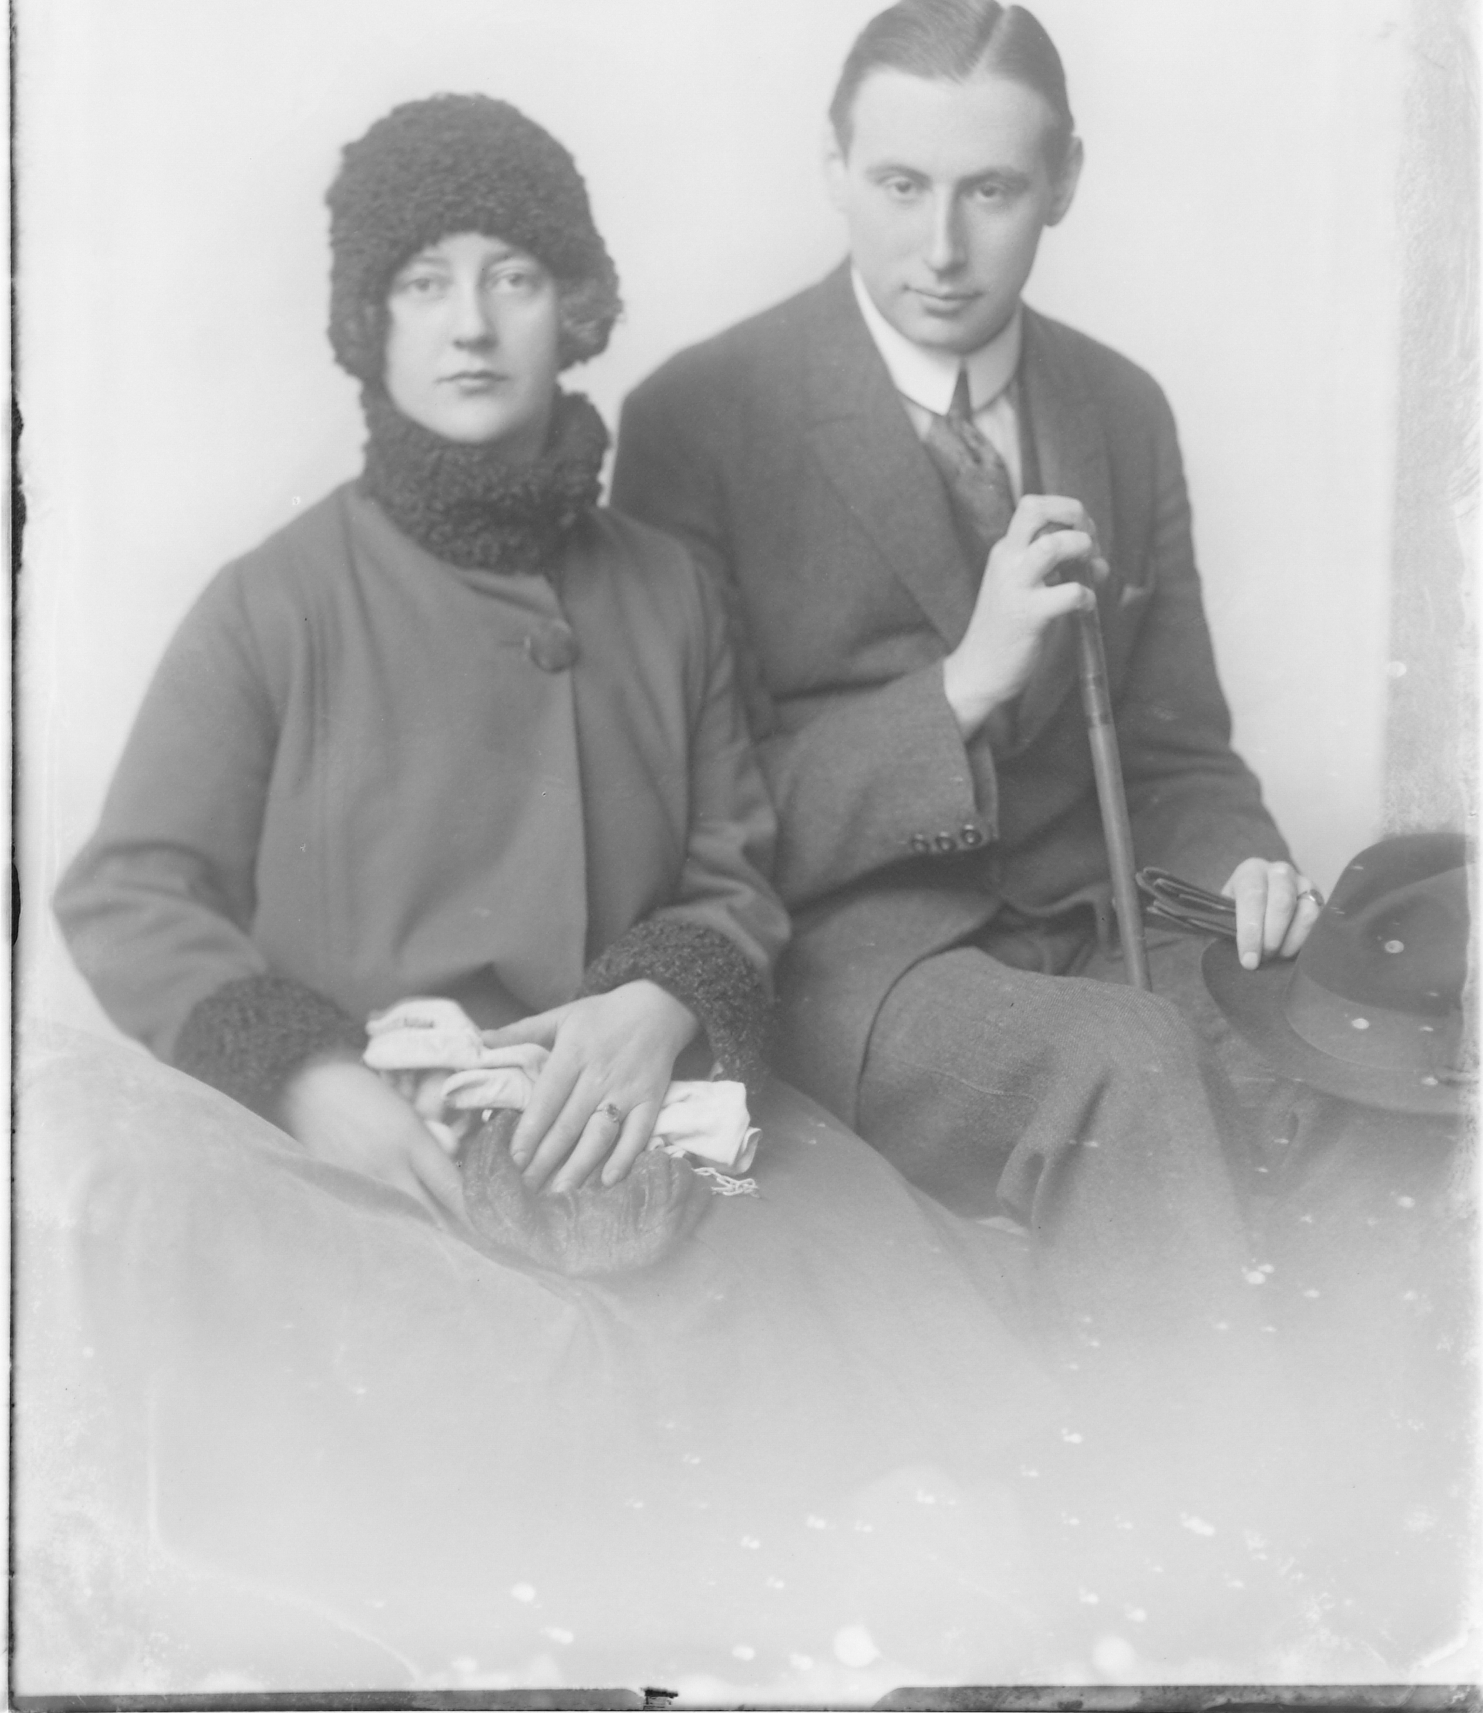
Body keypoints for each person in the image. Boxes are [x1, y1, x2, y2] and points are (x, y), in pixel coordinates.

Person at [26, 92, 1082, 1695]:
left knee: (894, 1321)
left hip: (651, 1113)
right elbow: (131, 891)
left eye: (513, 277)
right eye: (422, 281)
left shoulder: (669, 594)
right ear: (367, 324)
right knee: (527, 1434)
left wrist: (662, 998)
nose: (469, 323)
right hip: (403, 1139)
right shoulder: (276, 605)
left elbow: (733, 863)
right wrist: (307, 1078)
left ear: (574, 308)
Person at [612, 0, 1324, 1359]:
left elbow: (1180, 752)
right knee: (1130, 1068)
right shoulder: (699, 419)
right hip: (853, 962)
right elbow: (692, 828)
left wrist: (1246, 872)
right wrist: (963, 685)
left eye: (991, 190)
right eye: (900, 185)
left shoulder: (1120, 407)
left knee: (1341, 1045)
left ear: (1065, 181)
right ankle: (1186, 1484)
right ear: (834, 170)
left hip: (1102, 914)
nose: (940, 247)